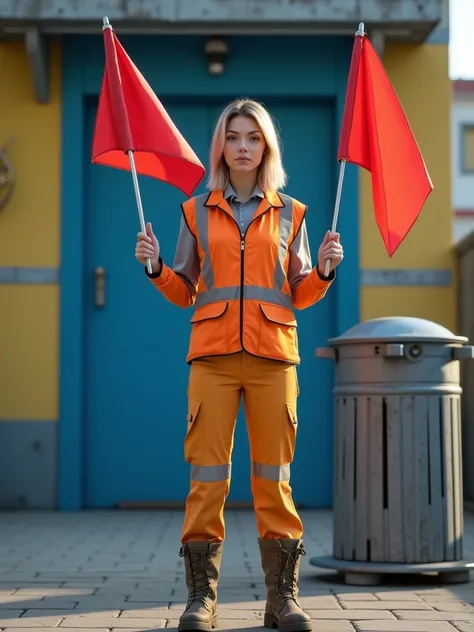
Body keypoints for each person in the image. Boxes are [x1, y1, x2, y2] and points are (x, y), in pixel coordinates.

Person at [135, 98, 344, 632]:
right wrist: (157, 267)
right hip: (213, 360)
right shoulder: (194, 211)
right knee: (208, 480)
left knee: (274, 481)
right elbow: (184, 291)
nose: (244, 146)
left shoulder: (291, 213)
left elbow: (298, 291)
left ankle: (283, 599)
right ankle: (200, 600)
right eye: (234, 137)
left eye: (253, 137)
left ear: (266, 146)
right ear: (221, 147)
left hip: (275, 358)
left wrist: (321, 271)